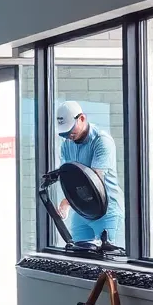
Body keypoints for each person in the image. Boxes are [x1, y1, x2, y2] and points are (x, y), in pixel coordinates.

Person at [55, 100, 125, 247]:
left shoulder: (102, 141)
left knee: (108, 263)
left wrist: (67, 201)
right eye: (64, 133)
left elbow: (94, 181)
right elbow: (69, 176)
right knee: (79, 255)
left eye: (70, 130)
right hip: (82, 209)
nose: (68, 136)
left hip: (106, 211)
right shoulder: (67, 144)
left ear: (81, 118)